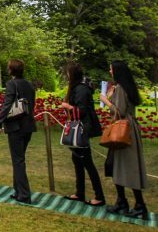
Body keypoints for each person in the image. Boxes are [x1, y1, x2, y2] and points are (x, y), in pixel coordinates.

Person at [100, 60, 148, 220]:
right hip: (129, 127)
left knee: (127, 166)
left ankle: (139, 204)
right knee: (115, 164)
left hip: (123, 130)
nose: (110, 72)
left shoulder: (120, 88)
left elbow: (119, 110)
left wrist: (106, 101)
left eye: (112, 69)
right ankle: (122, 200)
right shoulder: (128, 87)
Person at [60, 63, 105, 207]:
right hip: (78, 129)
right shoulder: (78, 87)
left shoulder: (81, 89)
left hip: (81, 130)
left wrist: (68, 107)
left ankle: (99, 196)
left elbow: (82, 111)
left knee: (88, 163)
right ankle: (80, 192)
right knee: (77, 160)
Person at [0, 58, 36, 203]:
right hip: (28, 126)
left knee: (18, 160)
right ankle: (18, 190)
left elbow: (7, 104)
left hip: (16, 127)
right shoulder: (29, 84)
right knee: (19, 159)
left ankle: (24, 194)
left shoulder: (12, 84)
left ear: (11, 70)